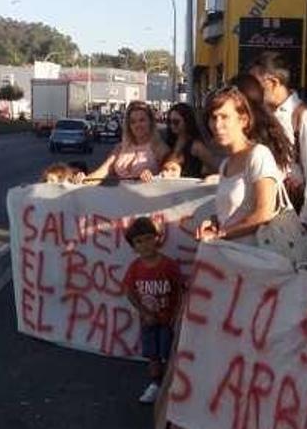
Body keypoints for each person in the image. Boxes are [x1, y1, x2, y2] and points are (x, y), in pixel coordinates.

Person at [199, 82, 294, 246]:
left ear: (243, 120)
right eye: (213, 118)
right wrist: (214, 222)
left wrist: (222, 234)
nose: (217, 125)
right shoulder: (226, 165)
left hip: (258, 259)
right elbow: (233, 213)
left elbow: (265, 212)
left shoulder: (258, 155)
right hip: (233, 258)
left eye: (224, 117)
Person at [249, 52, 307, 252]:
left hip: (294, 214)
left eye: (257, 85)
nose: (254, 93)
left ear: (273, 82)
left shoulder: (304, 117)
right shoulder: (264, 116)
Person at [121, 217, 183, 404]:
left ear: (157, 238)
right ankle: (155, 385)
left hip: (167, 320)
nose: (145, 245)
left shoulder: (169, 265)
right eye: (139, 241)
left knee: (169, 353)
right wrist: (143, 312)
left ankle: (170, 386)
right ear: (133, 246)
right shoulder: (135, 268)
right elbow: (129, 291)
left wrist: (176, 316)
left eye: (148, 238)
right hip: (148, 321)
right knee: (153, 355)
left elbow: (179, 291)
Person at [77, 101, 169, 183]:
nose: (138, 125)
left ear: (150, 122)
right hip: (120, 199)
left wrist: (153, 177)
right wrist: (84, 180)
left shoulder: (160, 148)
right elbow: (102, 172)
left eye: (142, 120)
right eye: (133, 122)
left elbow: (168, 177)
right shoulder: (120, 148)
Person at [161, 103, 218, 178]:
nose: (172, 126)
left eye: (176, 122)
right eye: (169, 122)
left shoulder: (196, 146)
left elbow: (216, 166)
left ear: (187, 121)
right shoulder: (169, 142)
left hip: (190, 186)